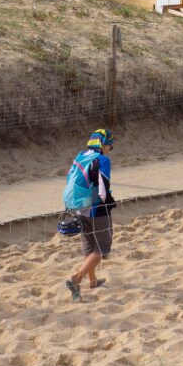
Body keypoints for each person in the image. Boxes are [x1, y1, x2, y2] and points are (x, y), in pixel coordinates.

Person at [63, 128, 115, 300]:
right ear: (103, 145)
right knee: (102, 247)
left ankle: (92, 281)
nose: (110, 149)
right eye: (110, 145)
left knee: (89, 246)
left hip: (80, 208)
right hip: (97, 209)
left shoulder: (80, 157)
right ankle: (77, 278)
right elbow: (103, 184)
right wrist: (105, 201)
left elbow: (69, 179)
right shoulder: (102, 159)